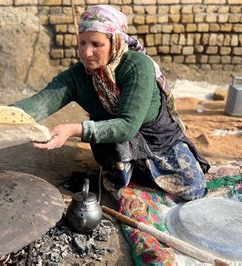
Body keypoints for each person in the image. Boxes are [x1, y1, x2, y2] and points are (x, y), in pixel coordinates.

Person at [12, 5, 209, 200]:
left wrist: (73, 130)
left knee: (193, 187)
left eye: (96, 45)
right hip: (115, 145)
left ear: (114, 42)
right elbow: (39, 103)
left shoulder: (137, 66)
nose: (86, 52)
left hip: (157, 143)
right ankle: (127, 170)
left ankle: (135, 171)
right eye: (82, 43)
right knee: (119, 182)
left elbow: (128, 125)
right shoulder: (79, 75)